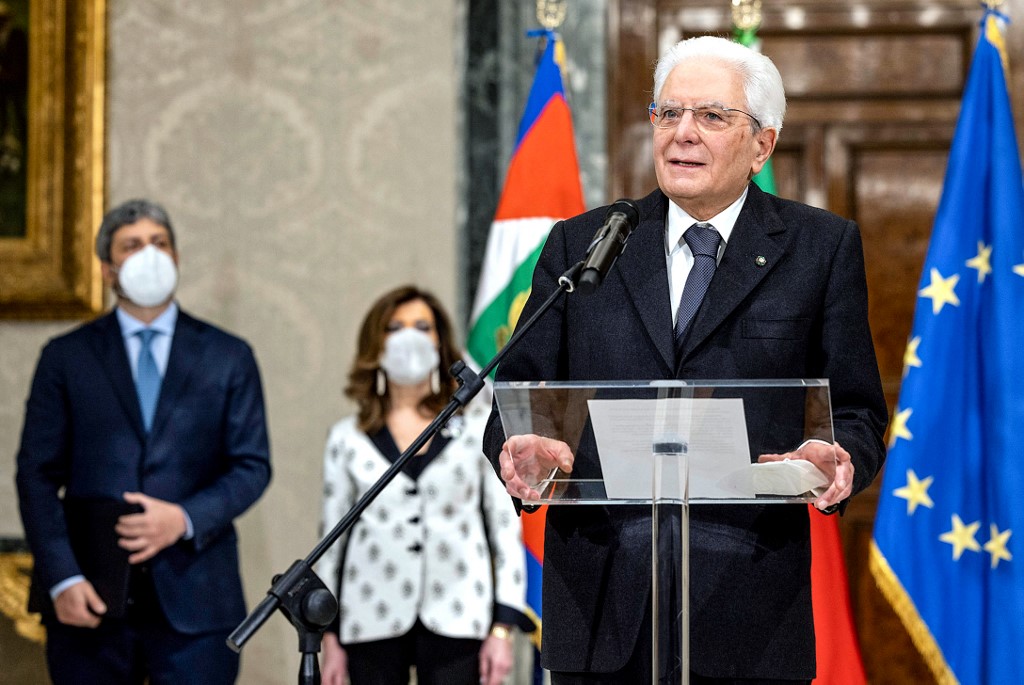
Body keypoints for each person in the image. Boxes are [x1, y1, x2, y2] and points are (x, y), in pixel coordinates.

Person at [483, 35, 888, 684]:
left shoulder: (820, 248)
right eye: (668, 114)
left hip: (749, 609)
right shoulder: (583, 245)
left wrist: (838, 458)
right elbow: (517, 396)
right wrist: (520, 446)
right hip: (602, 606)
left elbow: (860, 412)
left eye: (711, 116)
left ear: (763, 144)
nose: (683, 133)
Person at [15, 199, 272, 684]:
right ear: (109, 269)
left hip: (197, 605)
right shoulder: (65, 357)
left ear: (175, 259)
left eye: (159, 243)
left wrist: (185, 518)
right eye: (132, 246)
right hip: (90, 598)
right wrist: (62, 576)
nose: (149, 254)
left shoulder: (228, 355)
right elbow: (36, 474)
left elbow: (252, 466)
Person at [315, 285, 532, 685]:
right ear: (375, 344)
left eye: (422, 326)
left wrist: (502, 626)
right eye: (395, 327)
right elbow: (331, 541)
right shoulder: (347, 438)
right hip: (369, 615)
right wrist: (326, 635)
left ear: (439, 341)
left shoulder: (475, 429)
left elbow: (504, 530)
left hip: (460, 614)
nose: (409, 337)